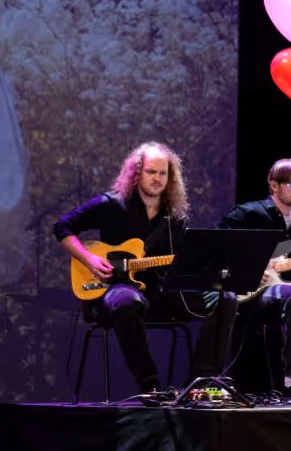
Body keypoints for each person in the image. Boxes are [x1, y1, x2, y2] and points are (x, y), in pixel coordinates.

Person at [53, 141, 237, 396]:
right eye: (152, 172)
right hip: (115, 290)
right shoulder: (111, 205)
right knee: (128, 300)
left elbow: (186, 263)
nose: (157, 179)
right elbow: (62, 227)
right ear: (137, 172)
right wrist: (89, 259)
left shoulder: (174, 218)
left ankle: (201, 382)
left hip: (162, 295)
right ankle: (151, 387)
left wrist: (209, 274)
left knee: (225, 299)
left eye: (163, 173)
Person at [218, 159, 291, 395]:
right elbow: (218, 250)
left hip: (286, 294)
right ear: (273, 185)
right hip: (251, 295)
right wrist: (246, 269)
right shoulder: (247, 214)